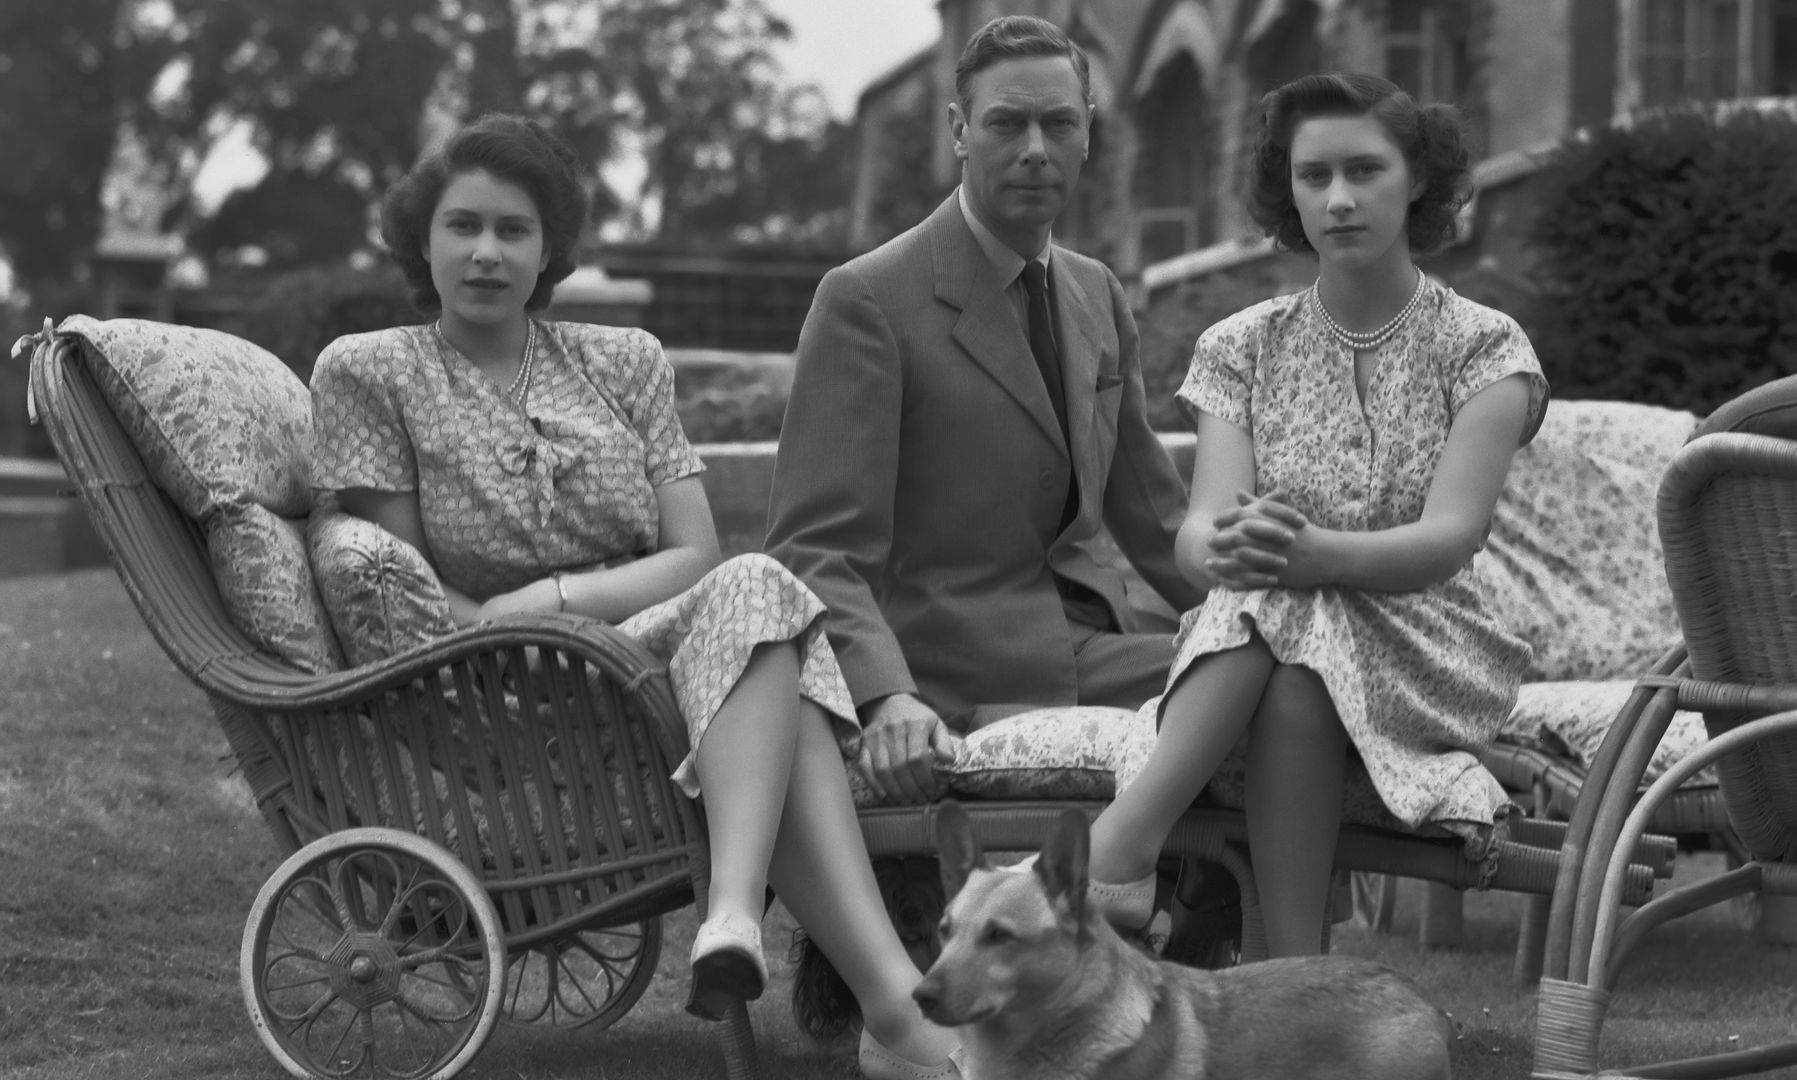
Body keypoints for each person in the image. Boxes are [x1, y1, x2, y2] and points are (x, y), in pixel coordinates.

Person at [306, 114, 963, 1080]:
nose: (486, 251)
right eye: (462, 226)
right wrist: (520, 622)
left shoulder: (623, 361)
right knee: (780, 663)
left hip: (646, 646)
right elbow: (407, 587)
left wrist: (558, 593)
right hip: (500, 676)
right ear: (423, 239)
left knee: (754, 585)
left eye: (514, 230)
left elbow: (694, 552)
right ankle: (886, 1009)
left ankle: (741, 919)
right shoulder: (369, 372)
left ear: (549, 250)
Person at [1084, 72, 1550, 958]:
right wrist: (1228, 544)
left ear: (1417, 180)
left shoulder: (1486, 346)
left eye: (1365, 171)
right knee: (1294, 655)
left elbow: (1448, 541)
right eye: (1313, 176)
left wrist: (1309, 553)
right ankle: (1295, 982)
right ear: (1287, 189)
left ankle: (1121, 842)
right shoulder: (1240, 345)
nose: (1337, 199)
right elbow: (1195, 537)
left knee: (1283, 606)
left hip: (1428, 643)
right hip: (1267, 637)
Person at [765, 14, 1204, 808]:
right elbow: (814, 547)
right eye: (1007, 122)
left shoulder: (1097, 292)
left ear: (1087, 135)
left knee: (1279, 668)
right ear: (960, 131)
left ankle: (1226, 919)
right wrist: (884, 693)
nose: (1035, 148)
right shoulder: (867, 300)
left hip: (1103, 643)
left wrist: (1249, 617)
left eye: (1059, 123)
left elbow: (1155, 519)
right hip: (950, 665)